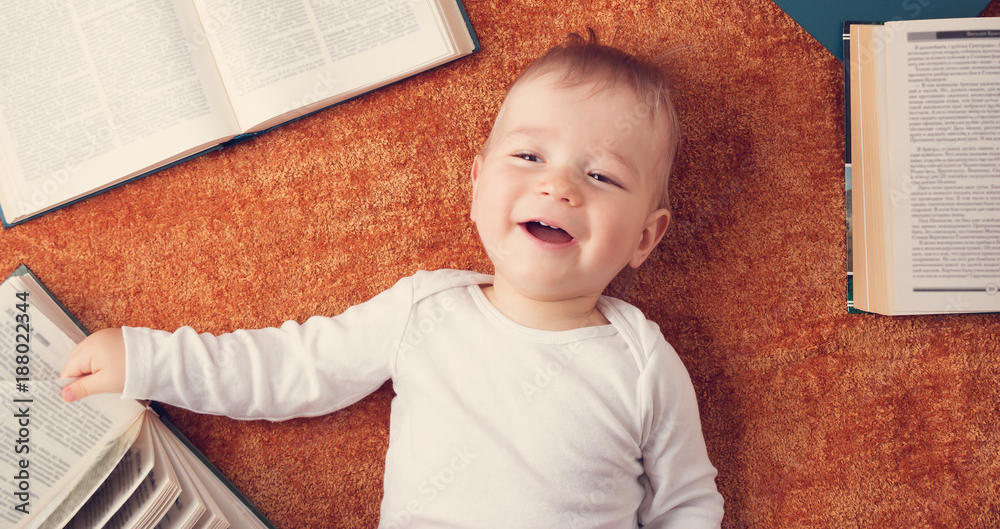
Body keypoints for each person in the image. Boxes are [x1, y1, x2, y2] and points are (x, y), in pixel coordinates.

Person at [61, 33, 725, 527]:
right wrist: (150, 359)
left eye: (602, 175)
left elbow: (689, 502)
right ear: (475, 185)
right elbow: (291, 366)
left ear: (645, 235)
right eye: (528, 156)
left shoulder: (642, 362)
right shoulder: (426, 307)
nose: (558, 184)